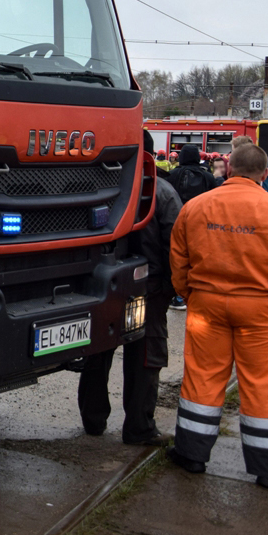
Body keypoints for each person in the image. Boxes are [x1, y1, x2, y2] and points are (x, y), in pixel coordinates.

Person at [168, 143, 268, 489]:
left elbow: (179, 259)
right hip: (264, 310)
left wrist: (189, 293)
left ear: (228, 169)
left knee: (202, 377)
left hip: (207, 305)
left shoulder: (196, 207)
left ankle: (191, 455)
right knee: (263, 384)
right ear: (265, 174)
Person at [78, 132, 183, 445]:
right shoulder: (163, 192)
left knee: (99, 351)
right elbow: (175, 247)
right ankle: (139, 427)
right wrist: (170, 288)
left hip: (105, 287)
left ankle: (93, 421)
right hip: (149, 290)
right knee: (146, 356)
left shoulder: (100, 187)